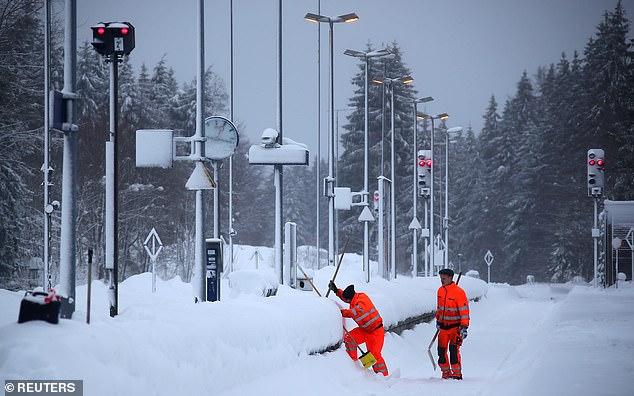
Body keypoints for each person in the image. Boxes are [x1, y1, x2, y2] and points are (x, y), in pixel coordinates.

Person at [329, 281, 388, 376]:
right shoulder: (355, 297)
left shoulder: (361, 302)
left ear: (350, 299)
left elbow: (353, 312)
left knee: (375, 355)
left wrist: (339, 312)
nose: (346, 301)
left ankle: (383, 377)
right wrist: (336, 290)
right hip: (364, 330)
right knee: (349, 339)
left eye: (347, 300)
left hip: (376, 331)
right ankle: (353, 364)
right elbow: (345, 297)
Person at [436, 268, 469, 380]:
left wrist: (464, 327)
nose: (442, 280)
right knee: (441, 352)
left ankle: (456, 374)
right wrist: (438, 320)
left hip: (456, 328)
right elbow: (439, 308)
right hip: (443, 328)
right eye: (441, 278)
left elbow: (464, 312)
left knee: (453, 351)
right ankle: (446, 373)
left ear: (450, 278)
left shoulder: (459, 293)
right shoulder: (440, 291)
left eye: (444, 278)